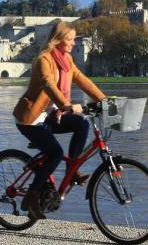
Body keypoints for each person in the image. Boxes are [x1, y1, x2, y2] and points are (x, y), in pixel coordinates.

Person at [13, 21, 106, 219]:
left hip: (51, 116)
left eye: (74, 40)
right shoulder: (44, 60)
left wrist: (104, 100)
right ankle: (31, 196)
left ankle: (71, 169)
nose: (74, 43)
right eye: (70, 40)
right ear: (59, 40)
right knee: (55, 153)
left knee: (81, 123)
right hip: (31, 119)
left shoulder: (67, 60)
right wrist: (65, 104)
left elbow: (83, 80)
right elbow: (48, 84)